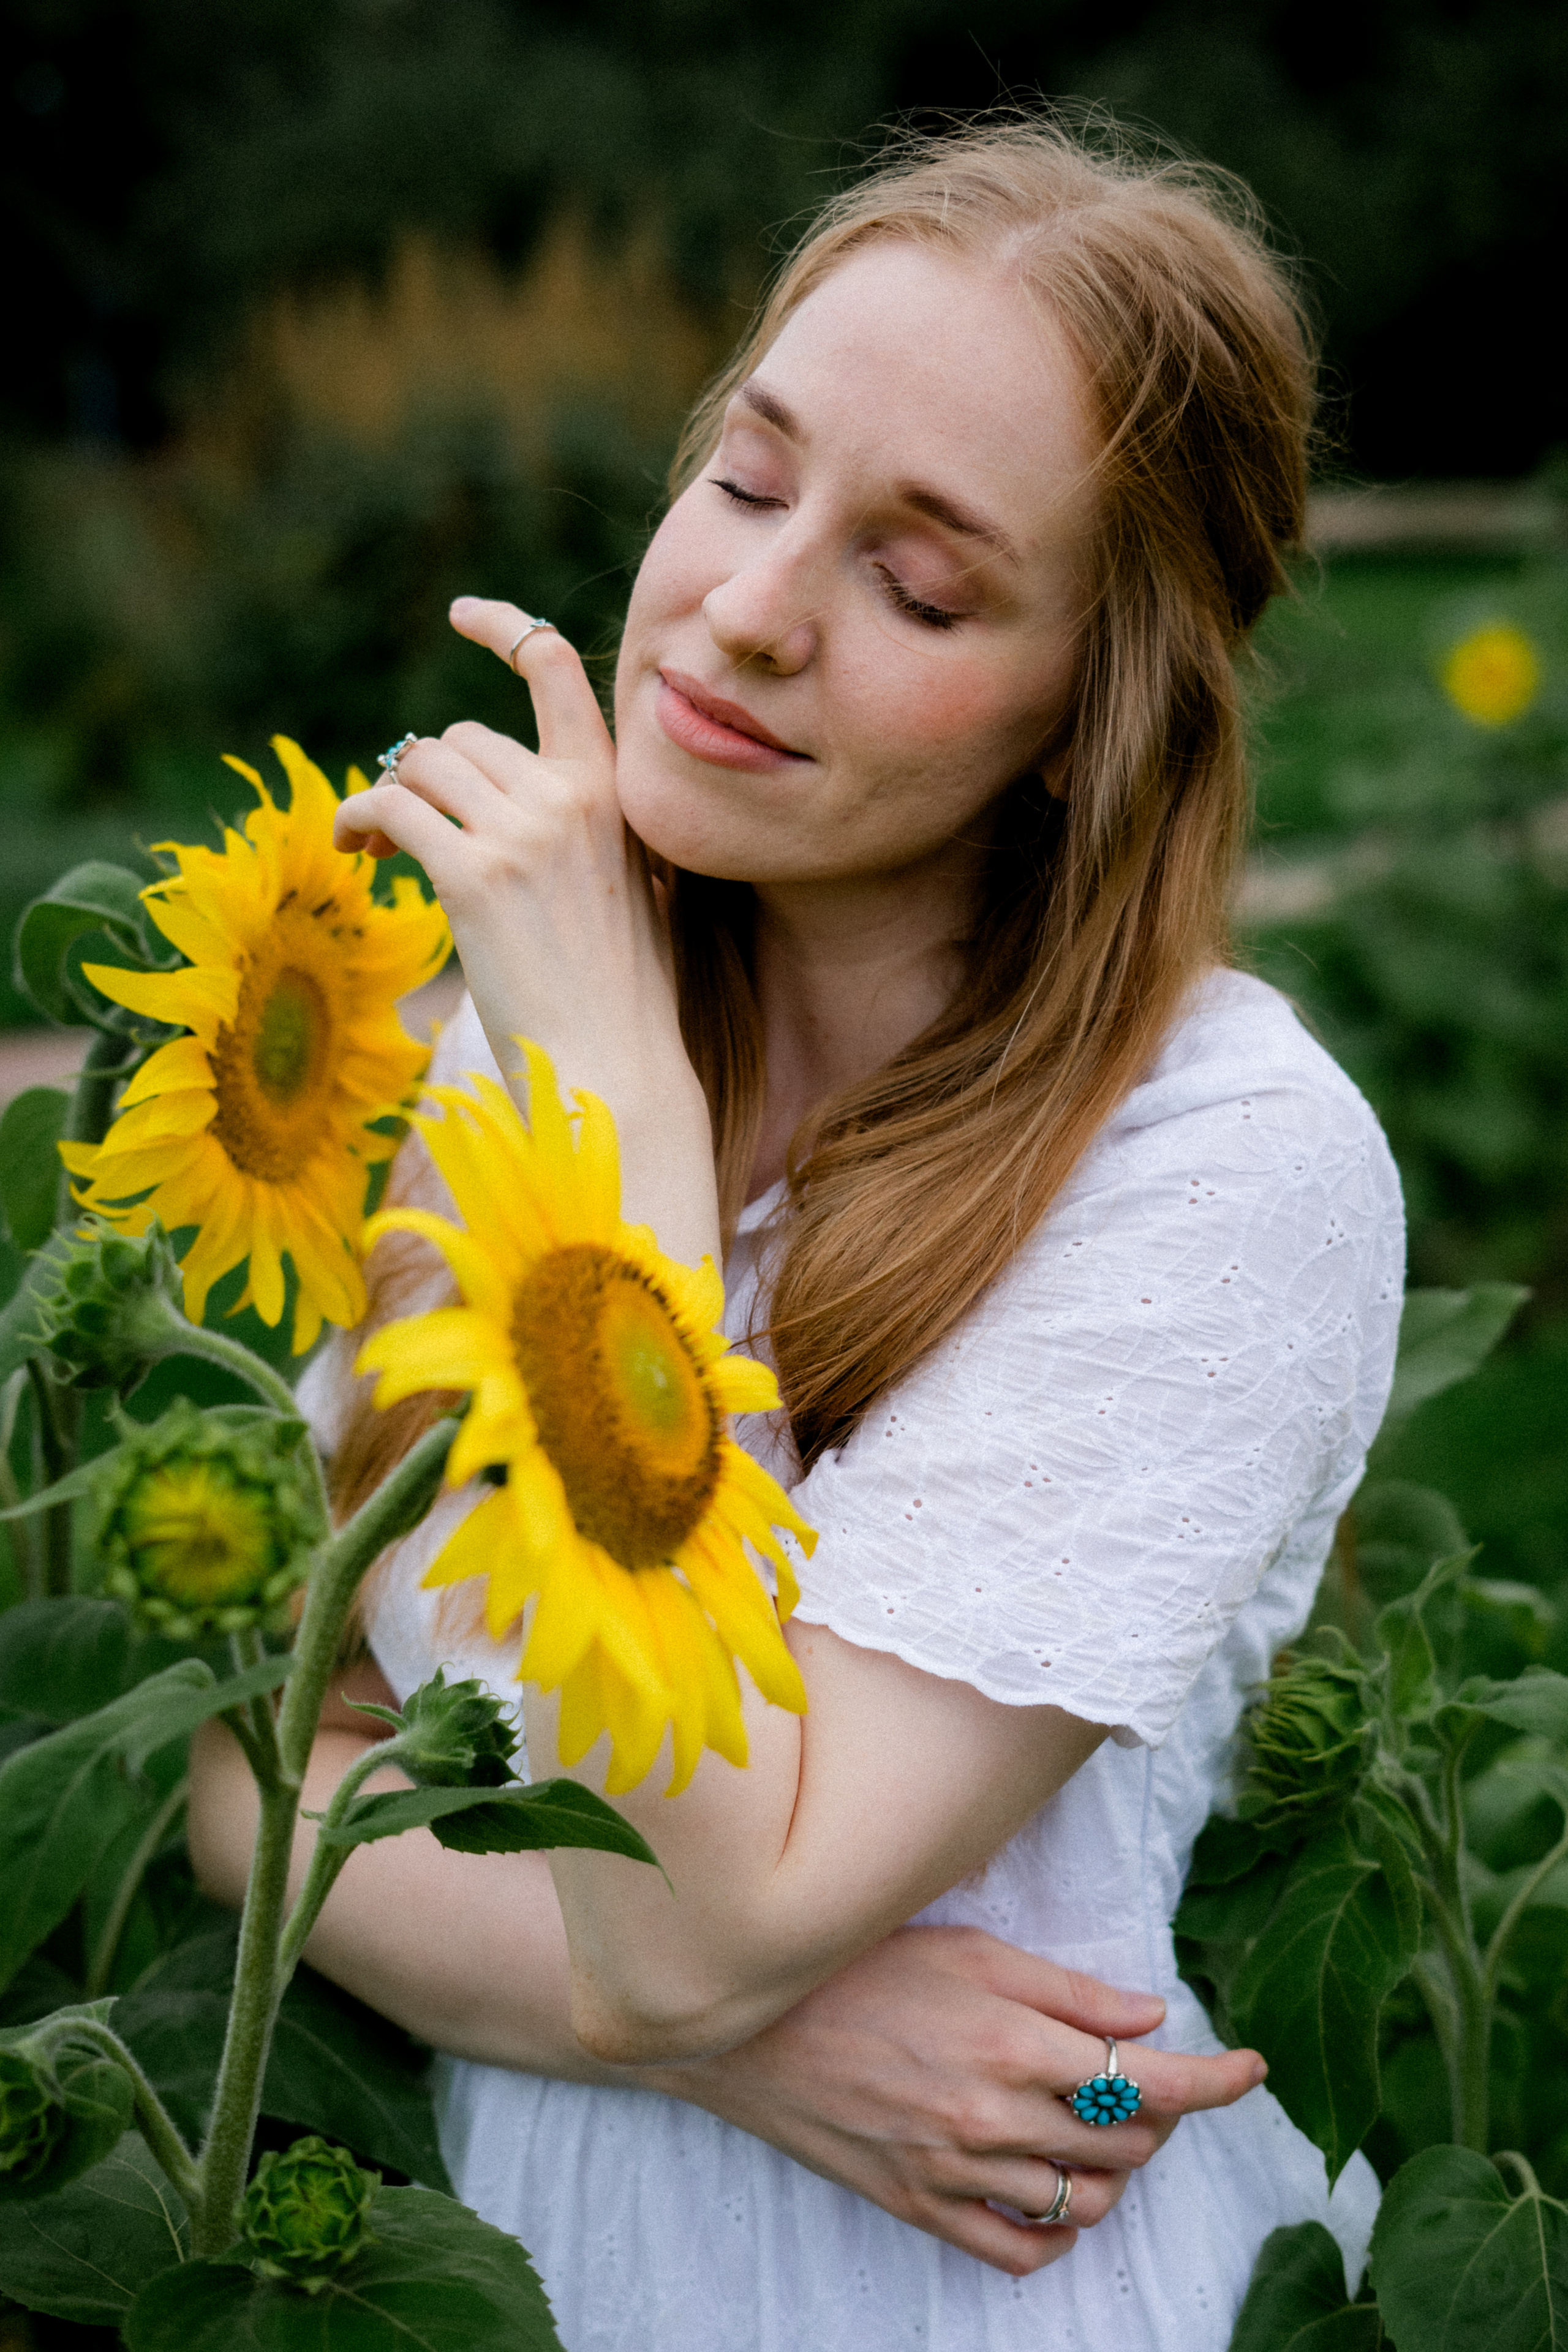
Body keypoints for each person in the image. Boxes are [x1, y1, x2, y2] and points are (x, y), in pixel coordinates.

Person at [189, 117, 1404, 2351]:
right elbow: (270, 1781)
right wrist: (760, 2047)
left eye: (921, 587)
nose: (749, 610)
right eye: (747, 484)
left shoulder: (1222, 1166)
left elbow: (690, 1916)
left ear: (1085, 718)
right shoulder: (515, 1050)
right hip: (550, 2272)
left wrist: (619, 1117)